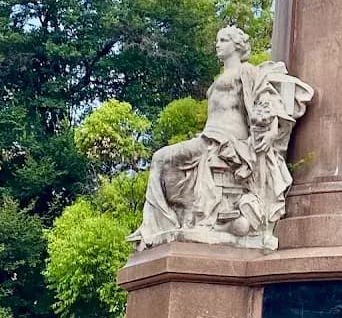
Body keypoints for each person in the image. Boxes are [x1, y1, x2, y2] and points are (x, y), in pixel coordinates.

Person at [130, 25, 313, 249]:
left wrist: (273, 132)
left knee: (160, 158)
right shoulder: (219, 78)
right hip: (208, 139)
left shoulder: (247, 72)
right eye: (219, 39)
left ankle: (159, 225)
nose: (218, 44)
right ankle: (168, 222)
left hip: (226, 141)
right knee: (162, 161)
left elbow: (267, 102)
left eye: (224, 40)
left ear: (238, 46)